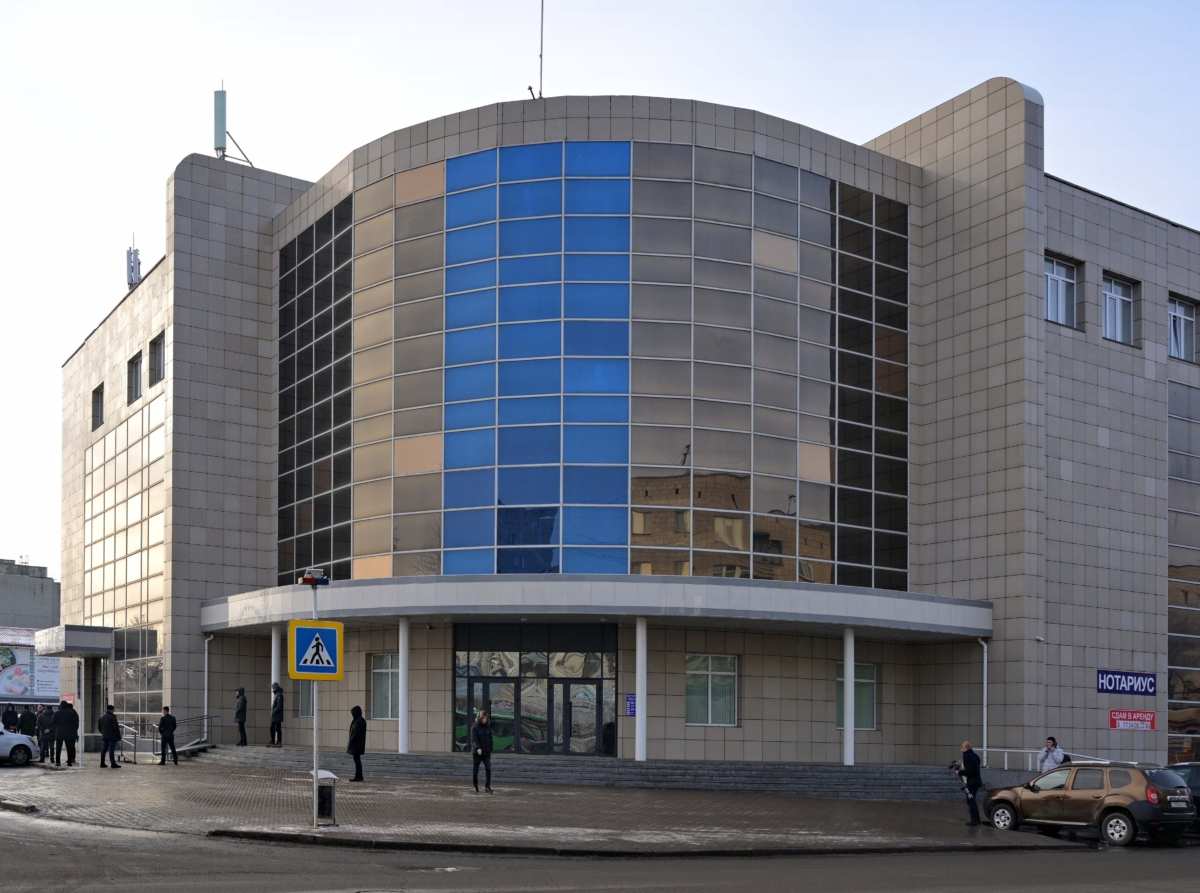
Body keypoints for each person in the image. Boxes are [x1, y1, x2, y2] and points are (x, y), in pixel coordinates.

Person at [956, 740, 983, 826]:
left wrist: (959, 772)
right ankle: (977, 818)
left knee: (970, 801)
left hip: (971, 782)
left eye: (962, 748)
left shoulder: (967, 756)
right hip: (976, 781)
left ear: (964, 748)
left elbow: (969, 770)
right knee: (972, 800)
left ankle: (974, 819)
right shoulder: (975, 755)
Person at [470, 709, 494, 794]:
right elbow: (474, 740)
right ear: (480, 718)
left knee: (488, 768)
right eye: (483, 718)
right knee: (475, 770)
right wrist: (478, 748)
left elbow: (490, 739)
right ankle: (475, 786)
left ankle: (487, 786)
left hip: (486, 752)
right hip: (477, 753)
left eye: (486, 718)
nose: (485, 720)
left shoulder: (488, 728)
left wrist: (490, 748)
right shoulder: (474, 728)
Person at [52, 699, 79, 767]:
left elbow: (53, 722)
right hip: (68, 732)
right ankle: (69, 762)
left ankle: (58, 762)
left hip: (59, 732)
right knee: (69, 748)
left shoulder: (57, 713)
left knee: (58, 748)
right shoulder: (71, 713)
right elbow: (74, 723)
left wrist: (57, 726)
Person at [97, 704, 122, 769]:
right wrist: (118, 736)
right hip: (112, 736)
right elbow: (116, 728)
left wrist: (103, 733)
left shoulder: (101, 717)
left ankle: (102, 763)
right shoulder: (112, 717)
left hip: (104, 736)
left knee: (103, 750)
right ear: (112, 710)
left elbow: (99, 727)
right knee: (111, 750)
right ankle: (113, 763)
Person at [347, 706, 366, 782]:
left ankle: (358, 776)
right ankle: (359, 776)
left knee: (357, 761)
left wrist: (351, 740)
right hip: (358, 744)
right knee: (357, 760)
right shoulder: (359, 720)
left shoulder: (358, 721)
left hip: (357, 744)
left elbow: (356, 733)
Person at [268, 682, 283, 747]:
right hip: (275, 716)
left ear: (275, 688)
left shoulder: (279, 695)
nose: (273, 689)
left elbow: (279, 706)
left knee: (277, 729)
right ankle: (273, 741)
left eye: (273, 688)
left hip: (277, 716)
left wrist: (274, 711)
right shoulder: (277, 694)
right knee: (272, 728)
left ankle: (278, 742)